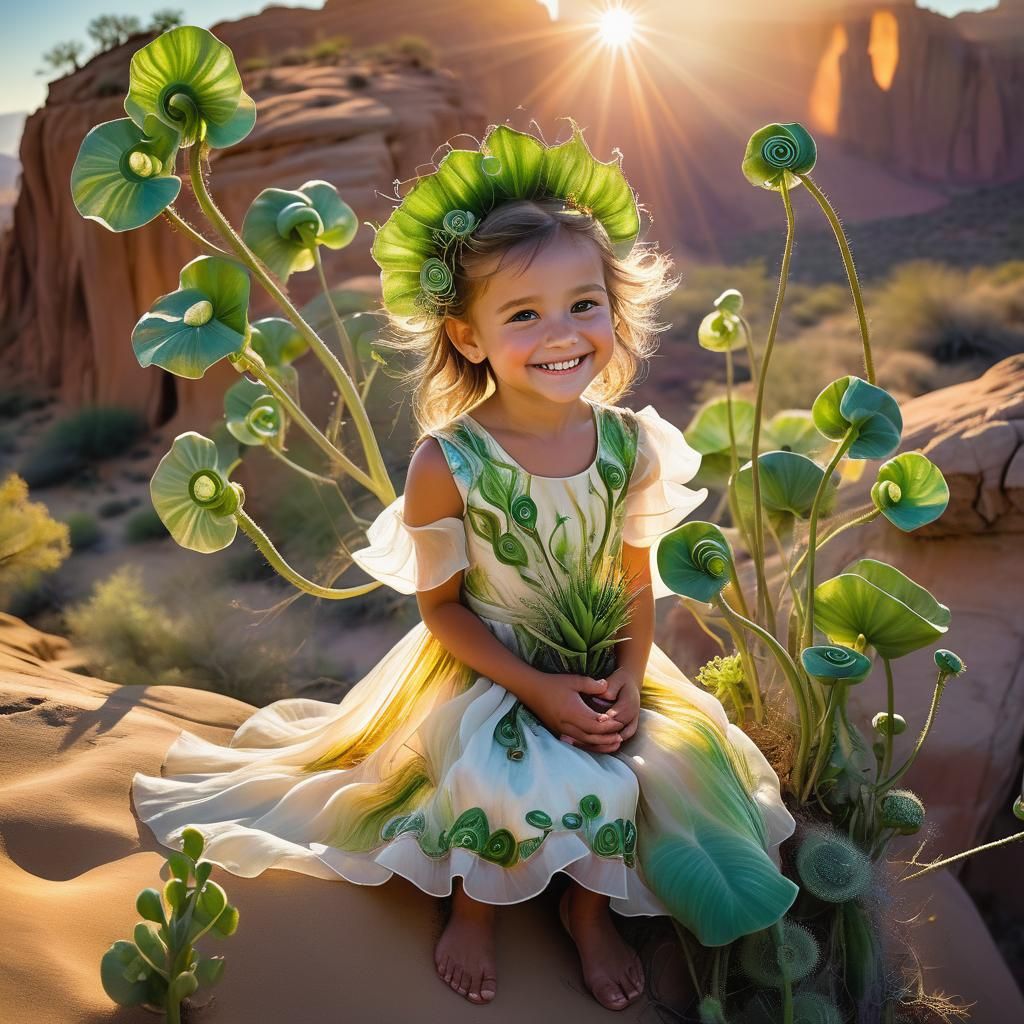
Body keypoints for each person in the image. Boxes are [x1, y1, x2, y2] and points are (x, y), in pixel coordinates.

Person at [131, 117, 798, 1014]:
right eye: (523, 314)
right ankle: (475, 907)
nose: (562, 334)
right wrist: (534, 687)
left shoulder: (631, 445)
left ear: (614, 306)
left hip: (606, 664)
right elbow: (441, 610)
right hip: (489, 666)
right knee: (506, 777)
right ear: (470, 335)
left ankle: (587, 912)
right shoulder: (450, 463)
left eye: (584, 303)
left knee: (665, 766)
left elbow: (636, 582)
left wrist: (629, 678)